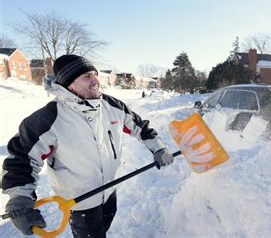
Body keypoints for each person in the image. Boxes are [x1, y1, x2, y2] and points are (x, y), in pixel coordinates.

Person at [1, 54, 175, 237]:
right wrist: (20, 198)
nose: (95, 80)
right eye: (86, 76)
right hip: (79, 201)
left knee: (103, 230)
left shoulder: (112, 106)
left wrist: (159, 148)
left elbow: (140, 127)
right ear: (69, 84)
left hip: (109, 191)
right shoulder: (48, 118)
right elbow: (21, 157)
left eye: (94, 74)